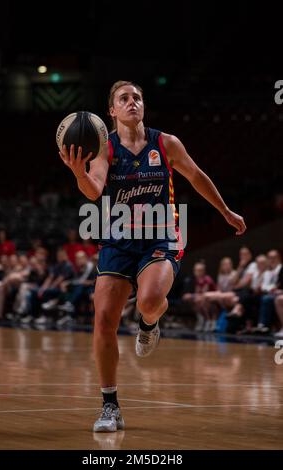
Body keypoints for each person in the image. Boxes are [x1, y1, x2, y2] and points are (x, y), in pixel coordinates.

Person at [59, 80, 246, 432]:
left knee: (149, 298)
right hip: (117, 239)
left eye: (138, 98)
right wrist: (78, 173)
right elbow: (95, 190)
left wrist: (224, 211)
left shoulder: (166, 143)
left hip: (160, 234)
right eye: (124, 99)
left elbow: (196, 176)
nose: (133, 103)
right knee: (103, 320)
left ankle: (149, 323)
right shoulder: (105, 148)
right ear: (111, 111)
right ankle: (110, 406)